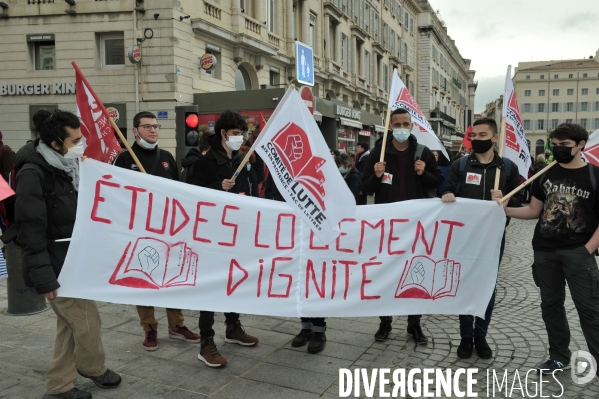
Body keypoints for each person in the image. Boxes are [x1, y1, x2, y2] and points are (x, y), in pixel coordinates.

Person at [15, 109, 121, 399]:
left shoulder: (69, 166)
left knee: (70, 325)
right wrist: (44, 279)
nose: (81, 144)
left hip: (75, 261)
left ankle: (59, 385)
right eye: (74, 140)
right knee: (86, 322)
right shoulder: (33, 175)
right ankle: (92, 367)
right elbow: (31, 231)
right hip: (55, 266)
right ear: (55, 144)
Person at [502, 123, 599, 373]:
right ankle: (558, 356)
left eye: (564, 146)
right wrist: (502, 208)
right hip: (544, 252)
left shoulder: (594, 175)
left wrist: (587, 249)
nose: (558, 149)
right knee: (551, 306)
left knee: (589, 309)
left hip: (579, 253)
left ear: (580, 146)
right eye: (554, 145)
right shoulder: (543, 173)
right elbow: (534, 211)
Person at [113, 111, 201, 351]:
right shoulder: (123, 159)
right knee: (144, 279)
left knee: (172, 278)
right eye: (147, 126)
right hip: (139, 231)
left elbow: (177, 191)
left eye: (155, 126)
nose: (152, 130)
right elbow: (116, 195)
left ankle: (177, 325)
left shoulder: (166, 157)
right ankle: (149, 328)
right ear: (135, 131)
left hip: (167, 229)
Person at [441, 117, 522, 360]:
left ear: (495, 138)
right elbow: (447, 189)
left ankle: (481, 336)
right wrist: (446, 195)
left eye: (482, 136)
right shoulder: (462, 165)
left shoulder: (507, 168)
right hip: (465, 237)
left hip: (493, 238)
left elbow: (519, 201)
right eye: (473, 136)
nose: (476, 140)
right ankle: (466, 337)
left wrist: (506, 198)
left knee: (487, 286)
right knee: (465, 284)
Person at [362, 108, 444, 344]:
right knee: (387, 273)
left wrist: (423, 173)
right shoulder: (378, 153)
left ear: (411, 126)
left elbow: (438, 181)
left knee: (417, 272)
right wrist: (376, 176)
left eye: (405, 124)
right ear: (390, 127)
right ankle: (384, 322)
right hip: (387, 227)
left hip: (417, 226)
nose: (400, 128)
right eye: (396, 124)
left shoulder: (422, 152)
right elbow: (366, 188)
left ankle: (414, 324)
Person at [185, 110, 259, 367]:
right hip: (212, 234)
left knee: (233, 279)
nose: (240, 138)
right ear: (224, 134)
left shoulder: (241, 158)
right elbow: (191, 194)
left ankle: (233, 326)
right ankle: (206, 342)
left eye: (243, 134)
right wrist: (219, 188)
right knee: (212, 286)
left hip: (236, 232)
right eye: (236, 134)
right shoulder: (204, 161)